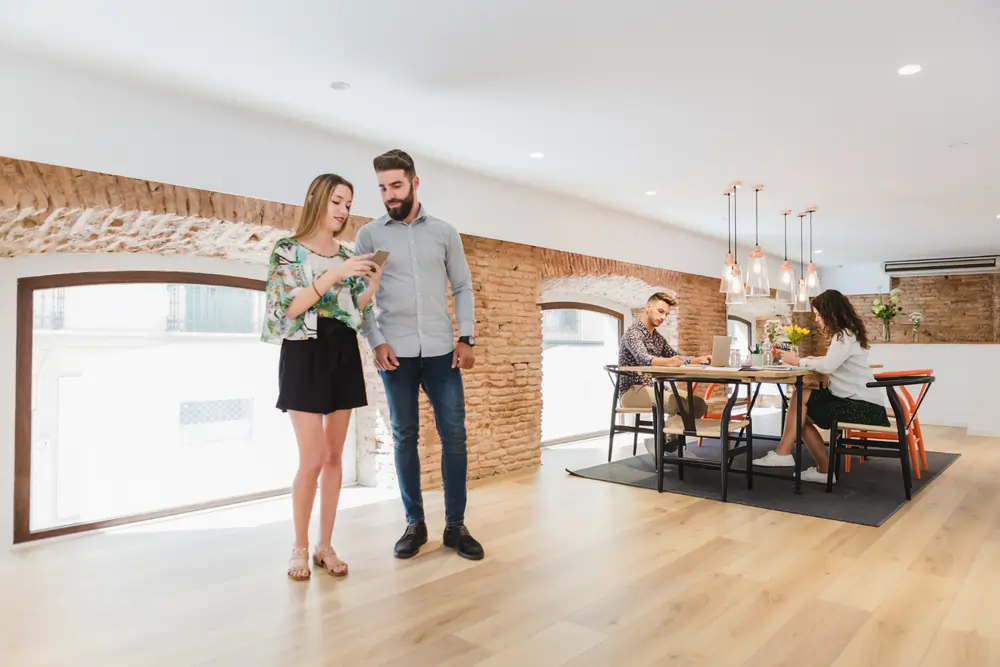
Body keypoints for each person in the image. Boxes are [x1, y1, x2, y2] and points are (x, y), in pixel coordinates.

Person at [354, 149, 484, 561]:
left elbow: (462, 286)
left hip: (443, 351)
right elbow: (359, 297)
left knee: (455, 437)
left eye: (395, 185)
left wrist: (467, 337)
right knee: (404, 437)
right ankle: (414, 522)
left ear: (414, 182)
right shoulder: (369, 236)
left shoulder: (444, 233)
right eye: (382, 188)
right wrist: (375, 340)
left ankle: (455, 526)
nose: (389, 194)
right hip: (397, 355)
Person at [262, 173, 381, 581]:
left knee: (334, 458)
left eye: (348, 204)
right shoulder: (288, 250)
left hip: (342, 351)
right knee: (311, 459)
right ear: (315, 198)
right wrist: (334, 273)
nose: (343, 210)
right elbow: (287, 308)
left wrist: (368, 288)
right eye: (336, 201)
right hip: (304, 353)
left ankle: (324, 546)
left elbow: (353, 315)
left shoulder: (346, 255)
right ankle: (298, 546)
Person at [753, 289, 889, 483]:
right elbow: (829, 361)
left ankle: (788, 456)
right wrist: (801, 359)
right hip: (858, 401)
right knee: (800, 406)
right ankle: (815, 468)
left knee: (800, 406)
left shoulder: (843, 336)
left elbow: (828, 365)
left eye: (818, 314)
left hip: (863, 407)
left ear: (830, 313)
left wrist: (798, 361)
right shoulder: (848, 334)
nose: (817, 319)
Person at [618, 293, 712, 451]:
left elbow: (675, 356)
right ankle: (665, 439)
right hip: (632, 390)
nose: (663, 317)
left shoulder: (657, 338)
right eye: (660, 311)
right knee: (677, 403)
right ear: (648, 307)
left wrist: (698, 359)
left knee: (698, 405)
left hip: (655, 387)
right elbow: (644, 359)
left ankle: (669, 434)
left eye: (666, 314)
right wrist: (670, 362)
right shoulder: (633, 333)